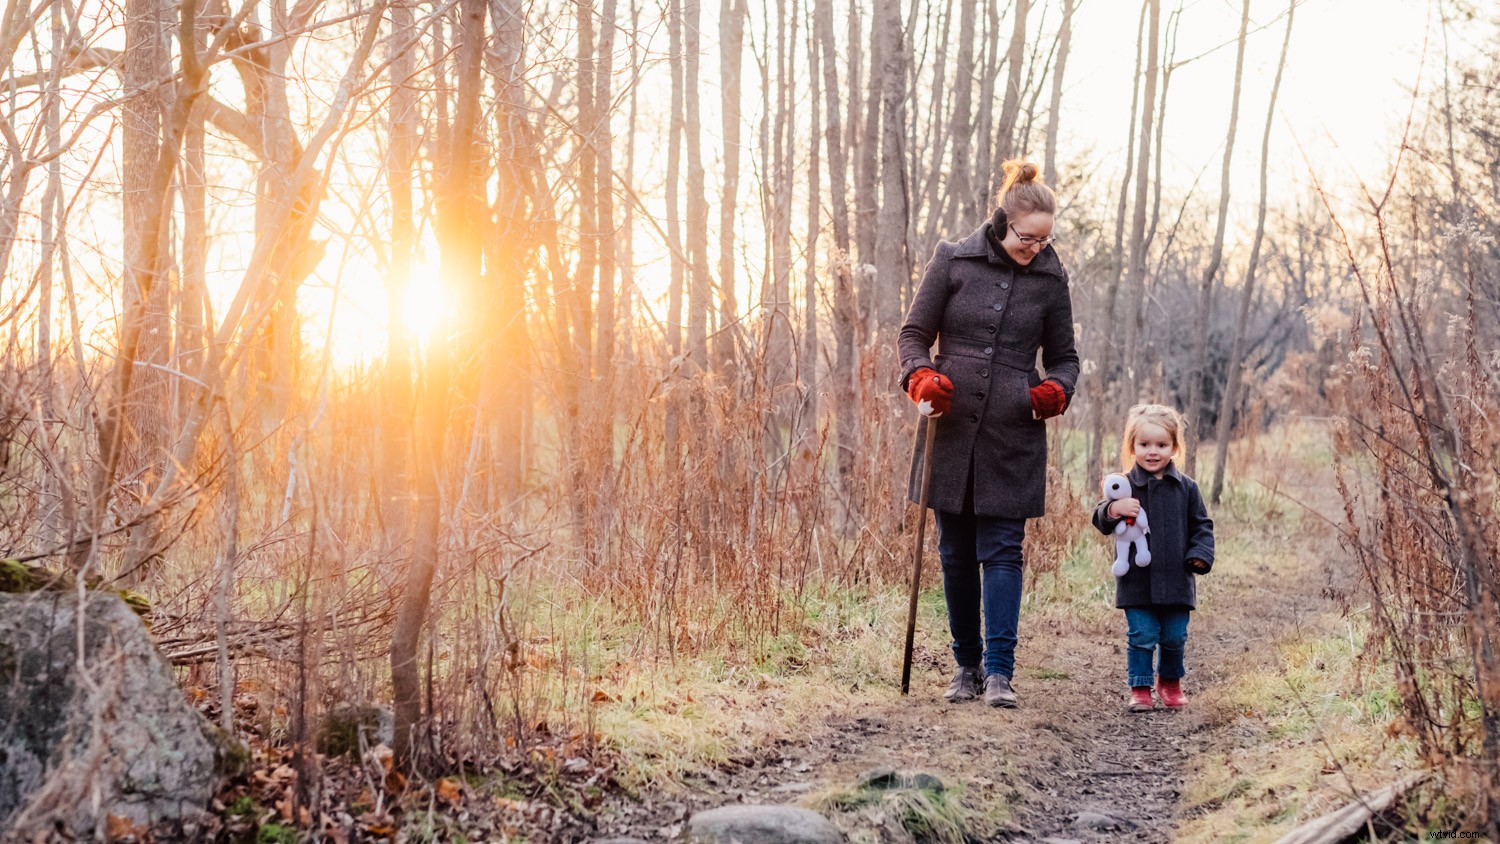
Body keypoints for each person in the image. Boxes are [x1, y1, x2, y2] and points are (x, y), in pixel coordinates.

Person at [898, 159, 1080, 708]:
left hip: (1013, 432)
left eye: (1046, 240)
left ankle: (1000, 673)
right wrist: (920, 377)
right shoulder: (952, 260)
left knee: (1003, 549)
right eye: (1028, 238)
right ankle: (966, 667)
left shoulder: (1051, 279)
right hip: (949, 427)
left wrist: (1053, 392)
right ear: (1003, 222)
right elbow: (913, 335)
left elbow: (1065, 359)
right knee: (955, 551)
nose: (1036, 249)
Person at [1091, 404, 1216, 712]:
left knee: (1175, 636)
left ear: (1174, 447)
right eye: (1144, 444)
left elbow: (1202, 526)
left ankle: (1170, 682)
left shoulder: (1186, 488)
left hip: (1176, 579)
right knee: (1142, 635)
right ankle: (1140, 687)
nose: (1152, 452)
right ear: (1132, 446)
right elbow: (1100, 518)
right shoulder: (1124, 486)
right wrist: (1113, 509)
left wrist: (1199, 554)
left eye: (1161, 445)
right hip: (1137, 579)